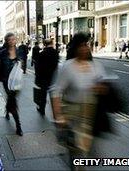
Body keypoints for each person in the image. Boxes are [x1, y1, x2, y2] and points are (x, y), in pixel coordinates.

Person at [51, 33, 108, 167]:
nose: (85, 48)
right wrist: (58, 115)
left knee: (87, 150)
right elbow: (56, 91)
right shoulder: (68, 67)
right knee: (77, 152)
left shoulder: (96, 66)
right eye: (81, 45)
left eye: (86, 45)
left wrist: (101, 88)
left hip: (91, 114)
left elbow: (104, 86)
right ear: (75, 48)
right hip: (73, 113)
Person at [0, 33, 23, 136]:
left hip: (16, 81)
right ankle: (18, 126)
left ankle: (7, 110)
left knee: (11, 99)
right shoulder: (2, 53)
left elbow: (21, 64)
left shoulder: (19, 51)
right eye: (9, 40)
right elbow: (0, 67)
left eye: (13, 39)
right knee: (13, 101)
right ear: (6, 41)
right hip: (6, 81)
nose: (12, 41)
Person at [34, 39, 59, 115]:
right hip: (53, 77)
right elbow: (56, 65)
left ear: (44, 45)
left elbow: (38, 67)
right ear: (51, 43)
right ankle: (55, 111)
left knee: (43, 95)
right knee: (54, 95)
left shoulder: (42, 54)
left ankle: (42, 109)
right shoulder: (55, 53)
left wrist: (37, 78)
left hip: (43, 78)